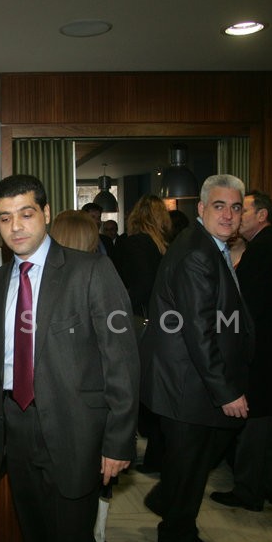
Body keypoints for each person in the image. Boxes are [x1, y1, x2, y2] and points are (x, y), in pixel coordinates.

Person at [0, 174, 140, 542]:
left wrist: (118, 440)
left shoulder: (90, 271)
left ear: (45, 213)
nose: (16, 226)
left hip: (76, 432)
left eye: (26, 214)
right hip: (17, 429)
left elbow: (122, 362)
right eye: (5, 218)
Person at [140, 174, 254, 542]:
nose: (229, 215)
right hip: (187, 381)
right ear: (202, 208)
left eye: (235, 207)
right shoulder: (198, 254)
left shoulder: (206, 244)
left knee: (192, 458)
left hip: (187, 378)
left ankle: (167, 498)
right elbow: (199, 332)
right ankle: (177, 532)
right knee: (190, 462)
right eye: (219, 206)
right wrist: (226, 391)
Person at [49, 207, 131, 542]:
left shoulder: (56, 280)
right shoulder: (96, 273)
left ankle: (96, 539)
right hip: (92, 404)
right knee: (93, 483)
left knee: (96, 484)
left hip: (76, 405)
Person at [210, 190, 272, 511]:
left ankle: (248, 491)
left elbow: (245, 306)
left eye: (241, 210)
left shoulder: (264, 250)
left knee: (256, 424)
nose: (235, 216)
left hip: (262, 355)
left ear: (262, 215)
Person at [115, 194, 172, 475]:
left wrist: (116, 309)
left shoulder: (133, 243)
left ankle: (123, 453)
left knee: (129, 391)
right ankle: (156, 455)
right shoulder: (165, 247)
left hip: (137, 322)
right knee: (153, 391)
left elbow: (137, 286)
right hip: (162, 323)